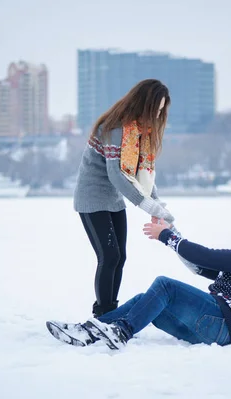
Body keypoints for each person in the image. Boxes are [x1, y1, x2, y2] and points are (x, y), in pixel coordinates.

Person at [46, 212, 231, 349]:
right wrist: (171, 233)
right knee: (146, 301)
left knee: (164, 286)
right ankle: (89, 331)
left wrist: (166, 236)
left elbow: (205, 256)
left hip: (222, 325)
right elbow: (199, 267)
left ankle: (121, 332)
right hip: (218, 330)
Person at [73, 79, 175, 319]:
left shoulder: (140, 132)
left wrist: (157, 205)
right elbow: (116, 174)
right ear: (143, 104)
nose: (158, 115)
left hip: (113, 200)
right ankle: (104, 314)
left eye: (161, 111)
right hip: (92, 198)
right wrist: (146, 204)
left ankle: (111, 311)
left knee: (120, 257)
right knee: (109, 256)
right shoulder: (115, 129)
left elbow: (143, 174)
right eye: (155, 109)